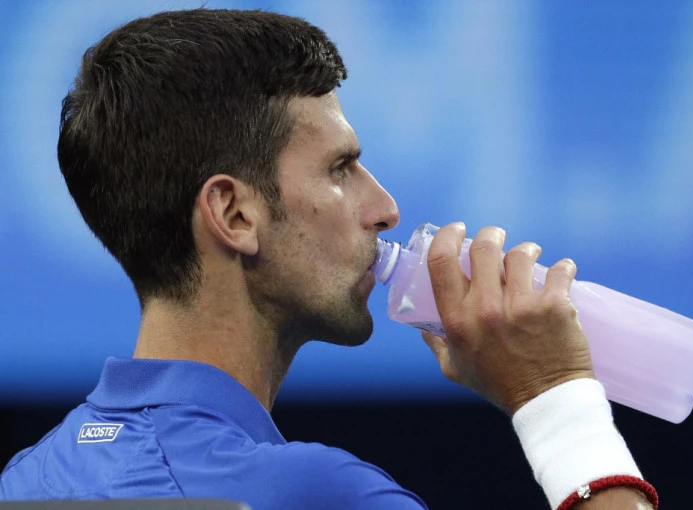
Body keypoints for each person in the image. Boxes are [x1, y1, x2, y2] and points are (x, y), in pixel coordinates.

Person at [0, 9, 657, 509]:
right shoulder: (313, 493)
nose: (386, 208)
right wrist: (556, 404)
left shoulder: (25, 479)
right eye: (341, 168)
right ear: (234, 214)